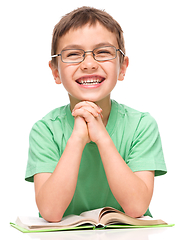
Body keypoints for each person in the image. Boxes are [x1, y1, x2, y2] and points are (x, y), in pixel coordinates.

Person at [25, 6, 167, 223]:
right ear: (55, 71)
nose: (89, 64)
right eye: (73, 54)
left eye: (102, 52)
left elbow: (137, 206)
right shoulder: (45, 130)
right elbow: (51, 212)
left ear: (122, 68)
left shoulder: (141, 125)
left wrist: (102, 137)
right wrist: (77, 139)